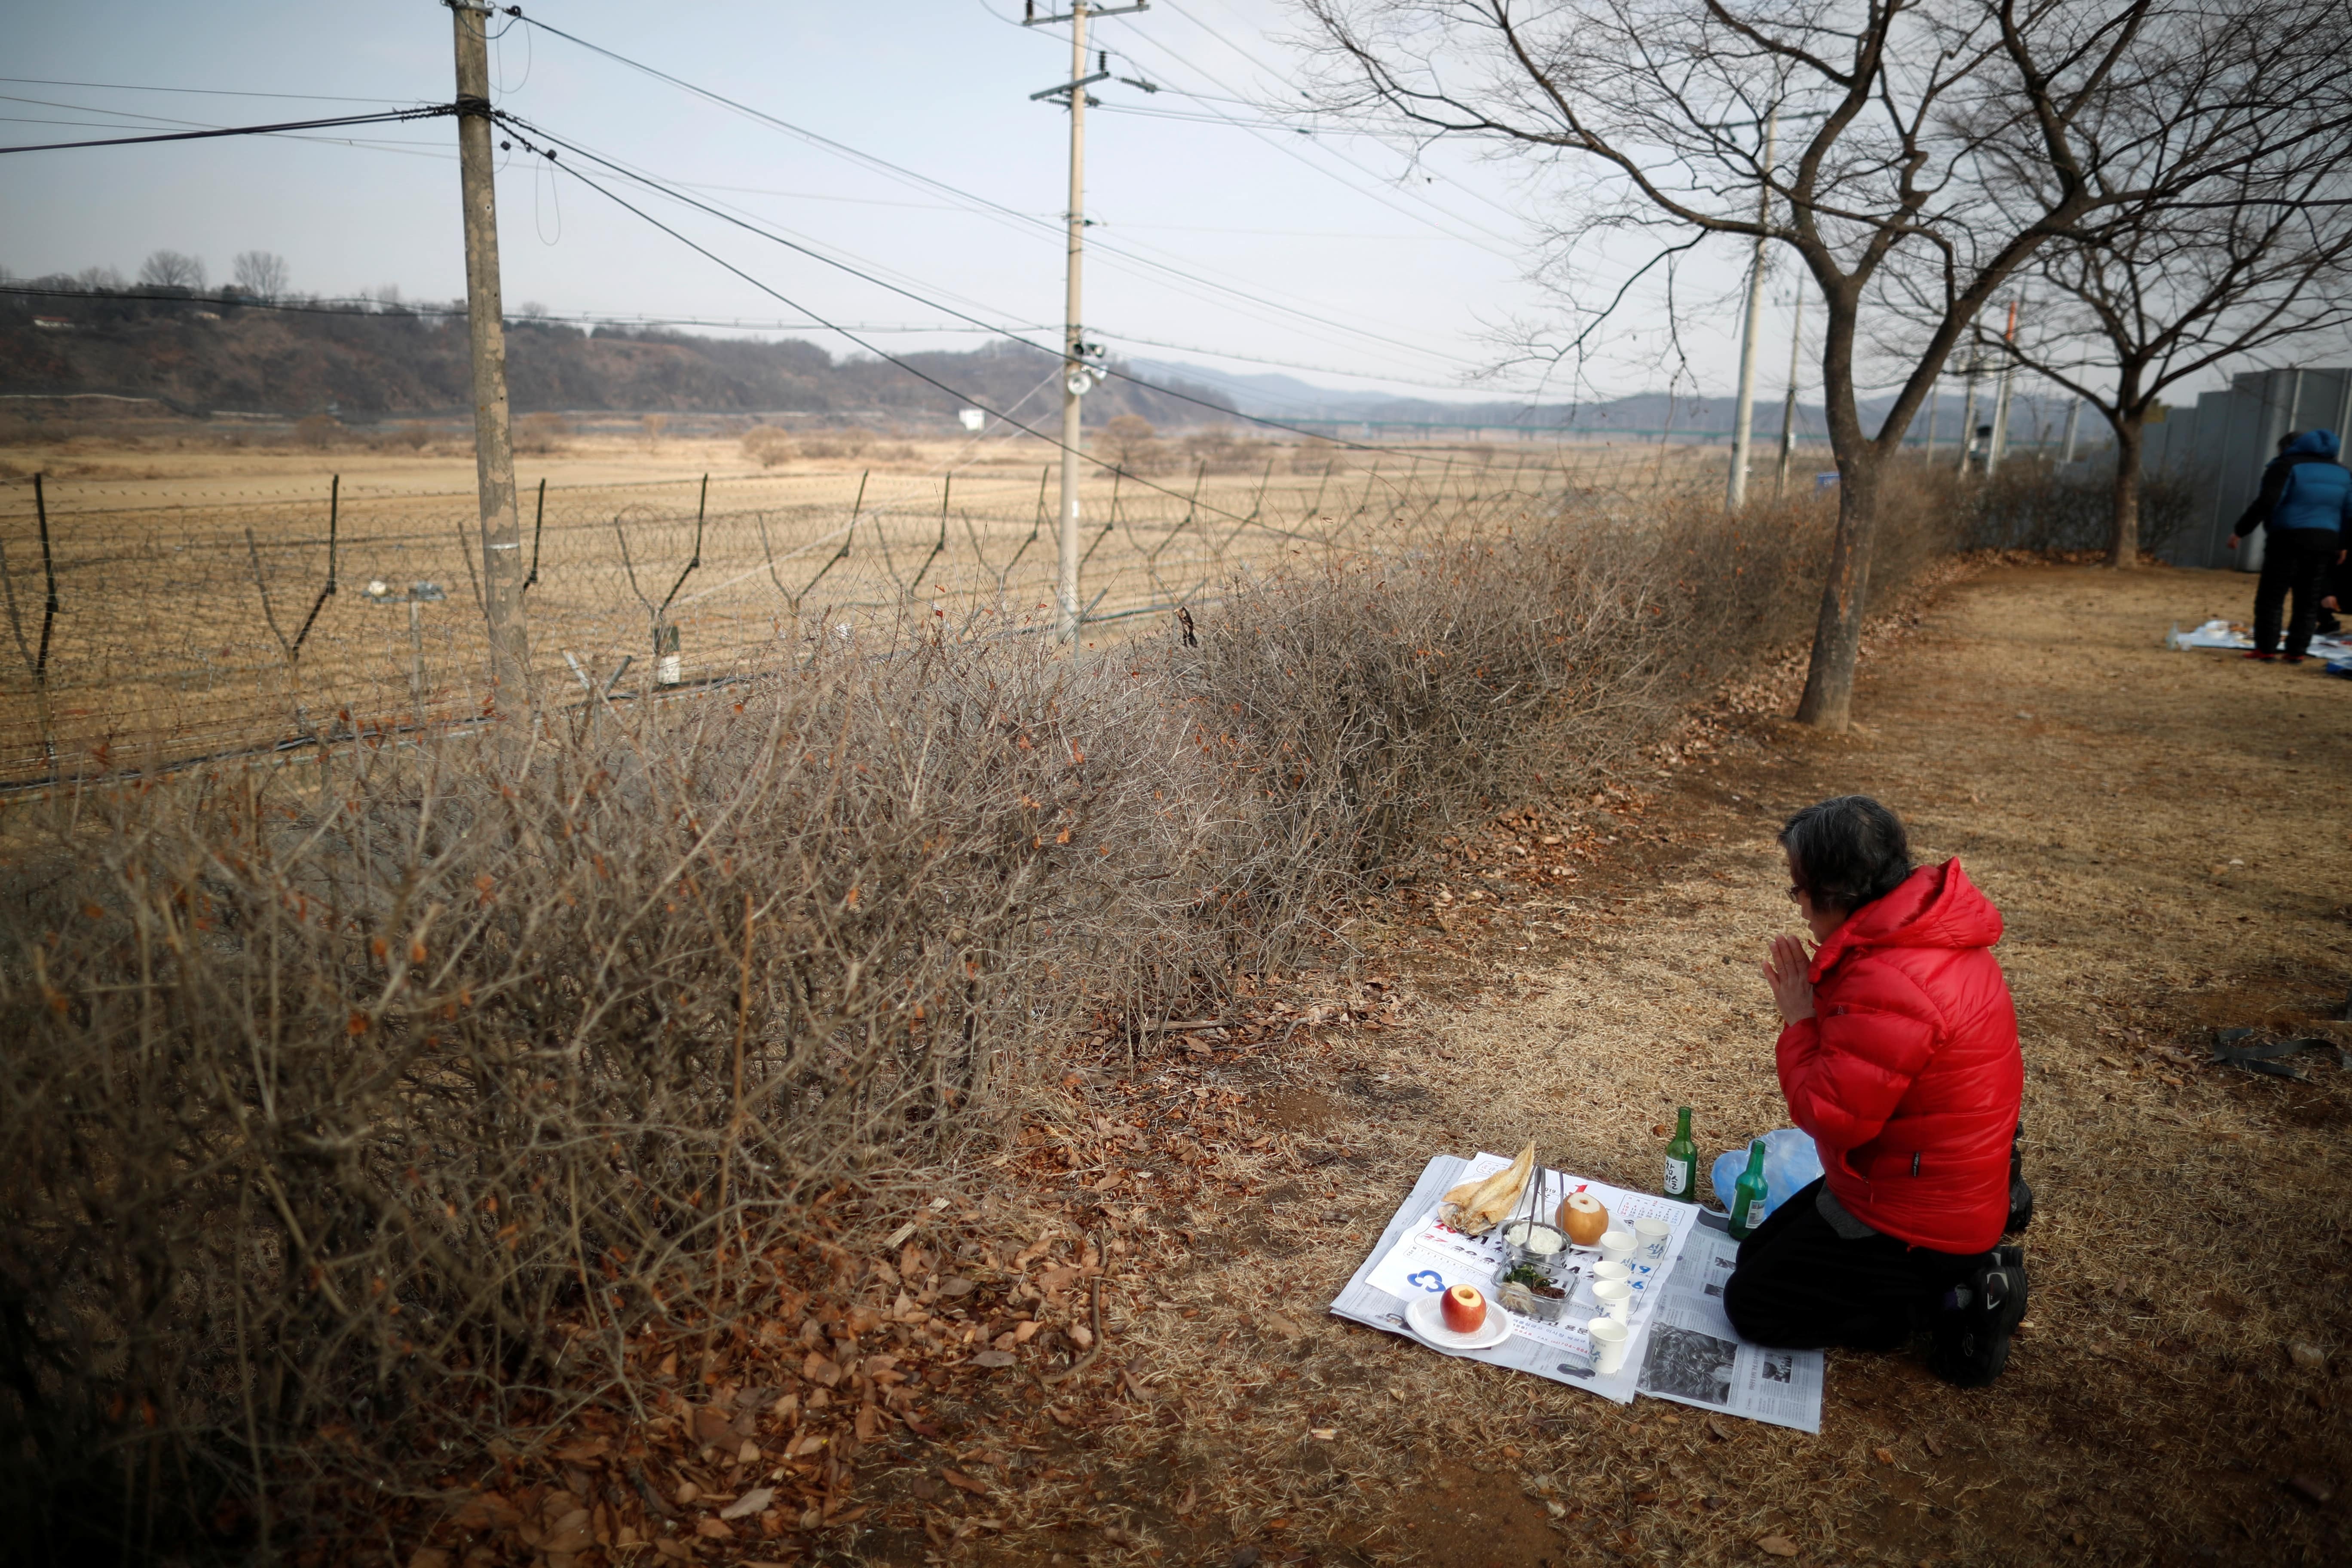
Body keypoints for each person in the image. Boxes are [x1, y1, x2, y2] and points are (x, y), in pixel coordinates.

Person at [1722, 796, 2029, 1387]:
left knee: (1752, 1306)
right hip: (1923, 1171)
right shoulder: (1912, 932)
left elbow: (1832, 1117)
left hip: (1918, 1210)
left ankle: (1955, 1299)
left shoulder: (1893, 977)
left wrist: (1799, 1021)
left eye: (1798, 891)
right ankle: (1951, 1261)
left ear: (1835, 894)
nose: (1799, 906)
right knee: (1752, 1256)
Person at [2226, 428, 2352, 663]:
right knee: (2308, 599)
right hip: (2326, 542)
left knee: (2272, 597)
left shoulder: (2286, 466)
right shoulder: (2344, 473)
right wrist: (2344, 544)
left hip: (2288, 539)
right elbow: (2349, 513)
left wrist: (2241, 531)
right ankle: (2296, 652)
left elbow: (2267, 501)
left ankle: (2266, 649)